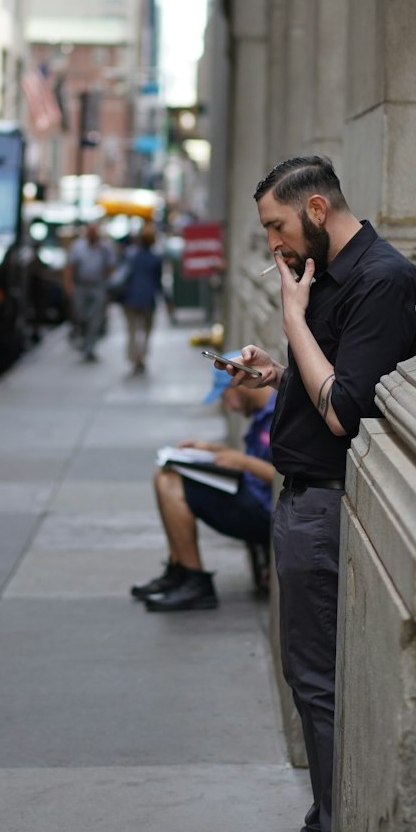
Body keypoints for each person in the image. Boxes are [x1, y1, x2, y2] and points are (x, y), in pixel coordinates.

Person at [221, 155, 416, 832]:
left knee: (320, 689)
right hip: (301, 498)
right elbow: (321, 380)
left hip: (329, 505)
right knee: (307, 684)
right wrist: (278, 371)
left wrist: (294, 322)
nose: (273, 245)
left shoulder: (381, 279)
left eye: (277, 226)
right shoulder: (328, 273)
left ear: (315, 207)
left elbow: (343, 408)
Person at [132, 364, 276, 612]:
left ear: (239, 385)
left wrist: (243, 462)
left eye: (224, 397)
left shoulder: (279, 413)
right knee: (166, 472)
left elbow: (286, 476)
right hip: (252, 495)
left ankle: (195, 580)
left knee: (170, 481)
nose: (228, 407)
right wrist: (213, 451)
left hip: (266, 510)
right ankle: (180, 570)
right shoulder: (262, 413)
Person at [65, 221, 114, 362]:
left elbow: (110, 267)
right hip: (81, 285)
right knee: (81, 315)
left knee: (95, 318)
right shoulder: (78, 247)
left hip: (98, 286)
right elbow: (70, 267)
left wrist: (107, 285)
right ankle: (83, 339)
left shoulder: (105, 248)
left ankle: (89, 348)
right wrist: (69, 285)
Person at [119, 223, 164, 376]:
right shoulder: (155, 259)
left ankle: (134, 359)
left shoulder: (131, 256)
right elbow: (158, 283)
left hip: (130, 298)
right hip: (148, 300)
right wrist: (167, 300)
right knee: (145, 332)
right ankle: (141, 358)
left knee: (132, 331)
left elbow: (123, 275)